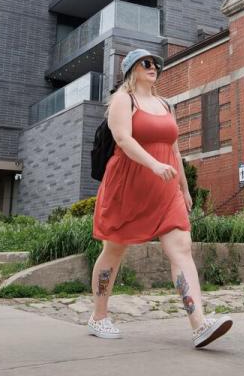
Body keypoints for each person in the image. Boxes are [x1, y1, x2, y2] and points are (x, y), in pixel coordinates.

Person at [90, 48, 233, 349]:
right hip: (127, 187)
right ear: (132, 70)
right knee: (114, 250)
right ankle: (98, 316)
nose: (153, 67)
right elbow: (123, 139)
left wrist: (184, 188)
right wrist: (153, 165)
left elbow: (175, 149)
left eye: (156, 63)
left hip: (164, 191)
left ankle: (199, 325)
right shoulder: (122, 100)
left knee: (182, 248)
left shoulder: (166, 104)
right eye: (146, 63)